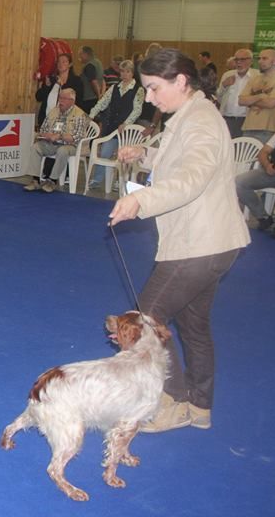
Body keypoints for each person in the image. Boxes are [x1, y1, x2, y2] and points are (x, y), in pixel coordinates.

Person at [109, 48, 250, 433]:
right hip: (215, 243)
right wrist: (146, 153)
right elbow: (181, 160)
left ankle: (171, 404)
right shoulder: (192, 116)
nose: (150, 98)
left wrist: (140, 199)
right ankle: (199, 408)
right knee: (194, 327)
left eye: (154, 89)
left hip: (198, 246)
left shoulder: (201, 122)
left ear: (181, 81)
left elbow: (192, 178)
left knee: (146, 322)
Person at [87, 59, 145, 189]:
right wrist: (91, 114)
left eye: (128, 71)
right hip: (112, 128)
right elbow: (103, 102)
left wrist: (126, 123)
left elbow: (137, 109)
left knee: (126, 157)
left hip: (128, 131)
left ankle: (121, 182)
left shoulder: (138, 90)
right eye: (122, 71)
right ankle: (97, 180)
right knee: (105, 153)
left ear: (132, 73)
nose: (124, 74)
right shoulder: (114, 87)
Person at [24, 88, 90, 193]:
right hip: (51, 143)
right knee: (36, 147)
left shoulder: (79, 115)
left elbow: (77, 137)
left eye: (64, 98)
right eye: (60, 97)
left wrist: (60, 136)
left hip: (71, 146)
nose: (61, 101)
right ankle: (35, 180)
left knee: (62, 151)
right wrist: (46, 135)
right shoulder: (54, 111)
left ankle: (52, 181)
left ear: (72, 101)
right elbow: (43, 129)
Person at [236, 122, 275, 240]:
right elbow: (263, 152)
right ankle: (263, 218)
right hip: (273, 170)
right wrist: (267, 165)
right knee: (239, 182)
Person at [238, 49, 275, 144]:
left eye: (264, 58)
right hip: (247, 127)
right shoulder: (255, 79)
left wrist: (250, 101)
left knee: (261, 158)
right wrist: (260, 96)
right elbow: (241, 101)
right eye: (259, 58)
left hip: (267, 129)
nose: (260, 61)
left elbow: (270, 103)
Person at [35, 52, 85, 129]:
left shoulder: (76, 81)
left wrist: (62, 86)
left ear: (70, 64)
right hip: (47, 118)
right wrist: (47, 86)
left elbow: (78, 101)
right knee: (45, 139)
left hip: (65, 119)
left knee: (57, 138)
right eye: (58, 61)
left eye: (64, 61)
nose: (60, 64)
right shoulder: (51, 79)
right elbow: (38, 97)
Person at [215, 48, 257, 139]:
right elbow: (219, 98)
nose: (238, 62)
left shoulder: (257, 76)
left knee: (242, 149)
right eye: (236, 59)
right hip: (227, 118)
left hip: (247, 120)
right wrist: (223, 86)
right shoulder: (227, 75)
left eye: (242, 59)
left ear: (251, 61)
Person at [77, 45, 104, 113]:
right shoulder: (98, 62)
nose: (79, 57)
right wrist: (102, 93)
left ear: (85, 54)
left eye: (80, 54)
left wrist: (98, 96)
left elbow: (93, 81)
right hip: (95, 97)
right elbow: (103, 81)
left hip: (89, 100)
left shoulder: (89, 66)